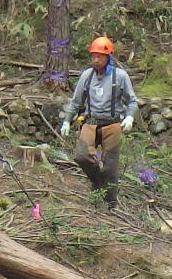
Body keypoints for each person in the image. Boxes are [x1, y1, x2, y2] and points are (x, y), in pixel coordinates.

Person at [57, 36, 139, 207]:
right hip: (91, 122)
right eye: (94, 56)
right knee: (81, 156)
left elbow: (132, 101)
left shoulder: (120, 76)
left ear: (108, 57)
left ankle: (110, 206)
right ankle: (97, 181)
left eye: (100, 57)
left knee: (110, 168)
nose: (96, 60)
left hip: (112, 123)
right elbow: (76, 102)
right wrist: (67, 121)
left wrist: (130, 116)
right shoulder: (87, 76)